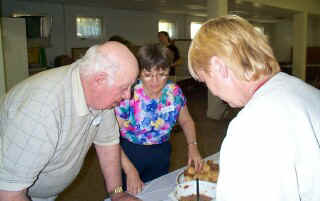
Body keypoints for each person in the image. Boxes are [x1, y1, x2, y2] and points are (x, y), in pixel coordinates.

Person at [188, 15, 320, 201]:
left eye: (205, 80)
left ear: (219, 67)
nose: (212, 91)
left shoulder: (250, 127)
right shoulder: (305, 91)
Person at [0, 41, 142, 201]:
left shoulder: (101, 97)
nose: (128, 96)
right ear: (100, 80)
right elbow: (9, 194)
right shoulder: (42, 109)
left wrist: (117, 193)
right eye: (123, 88)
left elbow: (107, 143)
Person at [115, 44, 202, 195]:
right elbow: (110, 138)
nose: (155, 81)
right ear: (139, 72)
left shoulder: (173, 92)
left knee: (156, 192)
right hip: (129, 152)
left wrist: (192, 146)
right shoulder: (129, 94)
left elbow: (186, 121)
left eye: (162, 74)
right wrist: (129, 170)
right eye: (148, 75)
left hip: (161, 151)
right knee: (124, 194)